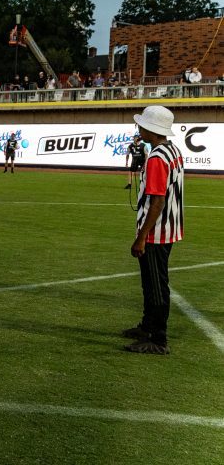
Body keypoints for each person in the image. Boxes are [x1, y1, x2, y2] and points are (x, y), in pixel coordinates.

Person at [123, 106, 183, 355]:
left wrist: (141, 237)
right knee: (151, 282)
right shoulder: (172, 151)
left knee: (156, 285)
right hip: (168, 227)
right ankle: (147, 326)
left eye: (143, 125)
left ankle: (158, 338)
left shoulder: (158, 158)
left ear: (151, 129)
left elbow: (157, 201)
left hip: (156, 233)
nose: (139, 128)